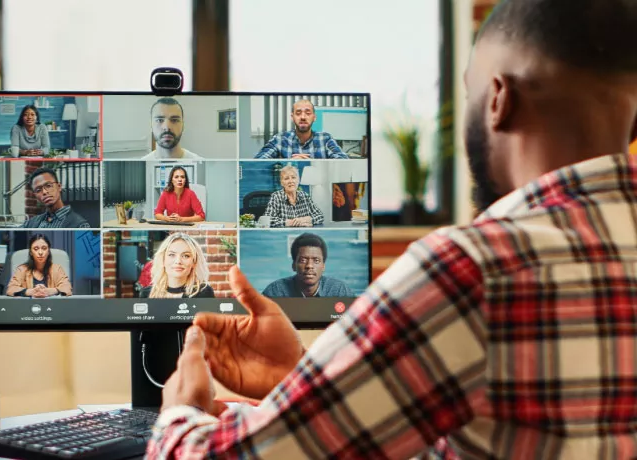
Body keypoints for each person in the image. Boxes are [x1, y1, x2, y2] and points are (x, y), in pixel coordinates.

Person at [147, 0, 637, 457]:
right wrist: (304, 376)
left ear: (497, 100)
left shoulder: (478, 269)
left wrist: (181, 412)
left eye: (470, 92)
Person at [262, 232, 351, 298]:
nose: (309, 266)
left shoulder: (339, 291)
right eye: (303, 260)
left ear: (323, 266)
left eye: (316, 261)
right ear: (293, 265)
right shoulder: (275, 292)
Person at [254, 99, 348, 159]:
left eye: (308, 113)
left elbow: (343, 162)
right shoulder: (280, 139)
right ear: (292, 117)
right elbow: (258, 162)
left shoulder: (325, 139)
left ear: (314, 117)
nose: (303, 117)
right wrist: (289, 164)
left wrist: (313, 165)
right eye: (298, 113)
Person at [140, 232, 214, 299]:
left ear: (194, 262)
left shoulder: (204, 293)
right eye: (172, 255)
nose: (178, 261)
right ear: (163, 260)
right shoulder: (147, 294)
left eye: (186, 256)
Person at [21, 167, 90, 228]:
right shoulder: (31, 223)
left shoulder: (79, 225)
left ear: (59, 186)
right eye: (38, 190)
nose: (44, 192)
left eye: (48, 186)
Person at [6, 233, 72, 297]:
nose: (40, 252)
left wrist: (50, 291)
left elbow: (67, 288)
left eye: (44, 248)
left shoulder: (57, 269)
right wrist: (30, 292)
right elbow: (11, 289)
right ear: (31, 252)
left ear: (48, 251)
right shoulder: (22, 269)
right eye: (36, 249)